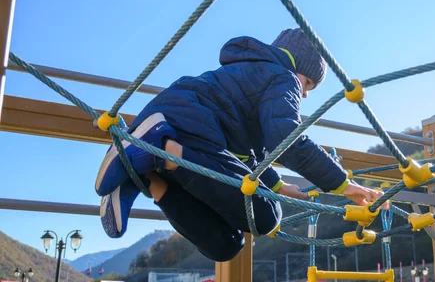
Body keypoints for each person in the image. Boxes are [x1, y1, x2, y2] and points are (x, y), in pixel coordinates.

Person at [94, 28, 384, 261]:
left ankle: (144, 176)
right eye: (308, 83)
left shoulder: (250, 77)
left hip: (190, 128)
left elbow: (246, 155)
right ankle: (158, 145)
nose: (305, 94)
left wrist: (278, 185)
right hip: (184, 124)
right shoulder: (283, 77)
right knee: (267, 217)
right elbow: (287, 137)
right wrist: (345, 185)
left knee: (225, 246)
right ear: (296, 65)